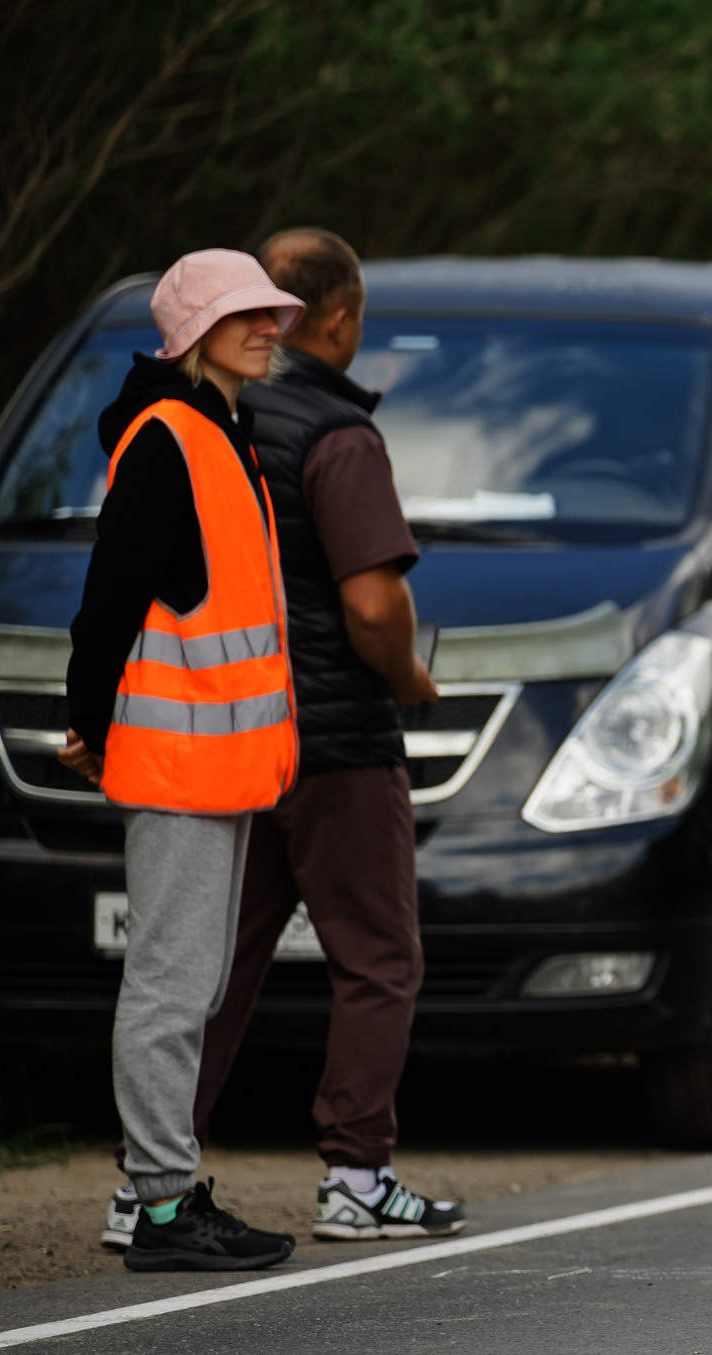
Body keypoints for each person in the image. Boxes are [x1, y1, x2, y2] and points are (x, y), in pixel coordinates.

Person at [107, 230, 460, 1250]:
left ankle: (151, 1179)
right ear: (338, 319)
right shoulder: (337, 433)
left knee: (213, 965)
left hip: (231, 737)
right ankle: (357, 1175)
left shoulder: (214, 419)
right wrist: (410, 680)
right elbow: (372, 603)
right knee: (378, 958)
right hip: (337, 739)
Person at [59, 250, 307, 1271]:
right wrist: (90, 719)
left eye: (270, 311)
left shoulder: (220, 430)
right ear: (193, 333)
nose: (267, 327)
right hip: (176, 762)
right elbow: (110, 596)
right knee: (170, 986)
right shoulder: (169, 437)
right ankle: (160, 1208)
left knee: (189, 984)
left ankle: (165, 1192)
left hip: (218, 764)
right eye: (243, 314)